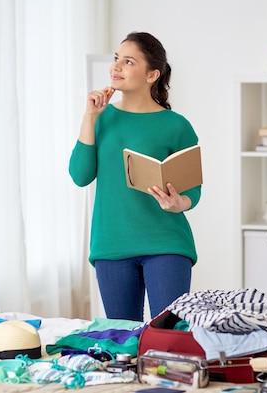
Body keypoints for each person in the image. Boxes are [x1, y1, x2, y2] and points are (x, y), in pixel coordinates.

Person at [69, 32, 201, 322]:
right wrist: (89, 117)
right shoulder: (101, 118)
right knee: (124, 342)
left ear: (152, 74)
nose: (116, 67)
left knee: (167, 338)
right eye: (116, 59)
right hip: (111, 244)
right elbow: (80, 175)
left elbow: (194, 189)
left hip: (167, 243)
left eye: (128, 62)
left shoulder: (176, 125)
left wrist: (180, 203)